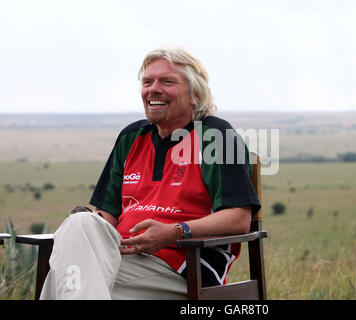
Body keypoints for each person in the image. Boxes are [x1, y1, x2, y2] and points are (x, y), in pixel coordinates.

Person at [40, 48, 261, 299]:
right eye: (147, 82)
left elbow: (238, 219)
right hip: (119, 256)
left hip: (183, 267)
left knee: (63, 285)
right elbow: (107, 217)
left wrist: (174, 232)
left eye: (167, 81)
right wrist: (85, 227)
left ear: (194, 95)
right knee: (80, 224)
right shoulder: (131, 137)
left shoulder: (215, 135)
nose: (153, 89)